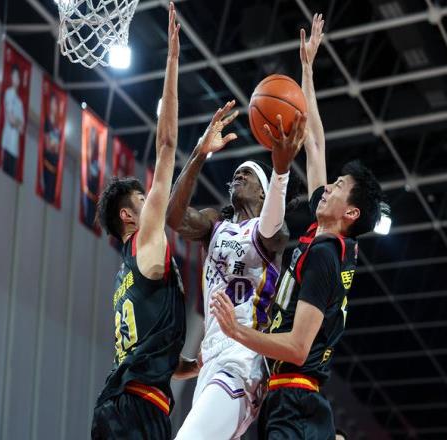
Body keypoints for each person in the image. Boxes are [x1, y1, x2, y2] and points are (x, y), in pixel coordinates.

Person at [212, 14, 388, 440]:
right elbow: (315, 143)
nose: (327, 188)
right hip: (290, 400)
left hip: (295, 399)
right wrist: (307, 70)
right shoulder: (323, 239)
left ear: (351, 214)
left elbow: (297, 347)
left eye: (338, 187)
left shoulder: (325, 256)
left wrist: (237, 332)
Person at [167, 100, 307, 437]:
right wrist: (199, 153)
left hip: (243, 357)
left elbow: (272, 226)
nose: (238, 176)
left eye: (248, 174)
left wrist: (281, 173)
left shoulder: (272, 232)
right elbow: (173, 217)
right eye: (236, 174)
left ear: (263, 192)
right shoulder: (215, 223)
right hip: (211, 356)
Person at [91, 4, 198, 439]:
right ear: (128, 216)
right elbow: (167, 144)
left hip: (122, 405)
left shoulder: (127, 276)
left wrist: (198, 364)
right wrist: (172, 61)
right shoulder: (145, 241)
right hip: (136, 409)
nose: (153, 200)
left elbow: (159, 357)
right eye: (144, 198)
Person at [1, 64, 25, 178]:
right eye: (14, 76)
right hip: (7, 143)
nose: (15, 79)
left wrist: (17, 121)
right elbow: (10, 119)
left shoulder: (20, 103)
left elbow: (22, 128)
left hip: (15, 148)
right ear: (11, 77)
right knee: (3, 177)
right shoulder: (9, 93)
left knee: (11, 179)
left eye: (17, 77)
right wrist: (17, 121)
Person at [42, 93, 61, 203]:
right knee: (47, 191)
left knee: (52, 195)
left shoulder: (58, 127)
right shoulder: (47, 122)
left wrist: (55, 146)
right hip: (47, 162)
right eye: (53, 103)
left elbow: (58, 148)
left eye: (56, 104)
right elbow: (48, 145)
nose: (54, 106)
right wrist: (53, 146)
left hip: (55, 165)